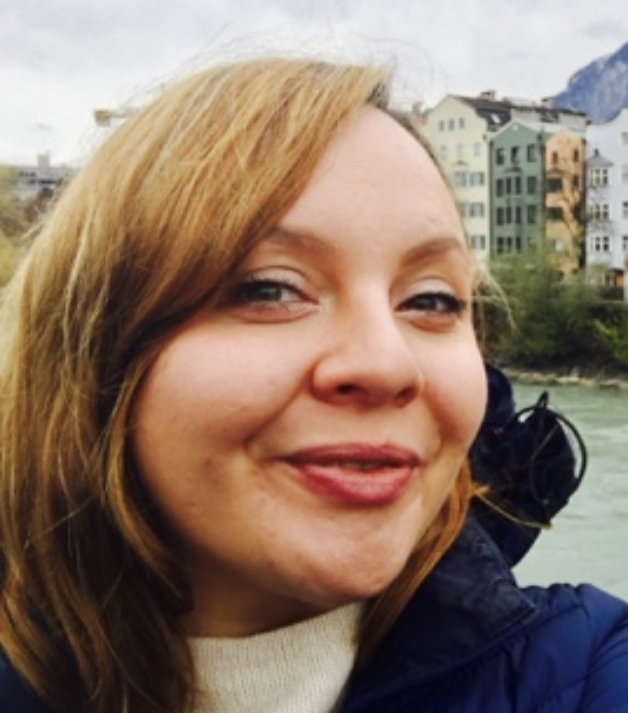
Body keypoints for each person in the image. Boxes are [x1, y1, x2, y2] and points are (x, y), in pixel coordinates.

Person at [0, 55, 626, 713]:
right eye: (270, 288)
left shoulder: (587, 673)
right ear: (90, 352)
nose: (388, 365)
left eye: (432, 299)